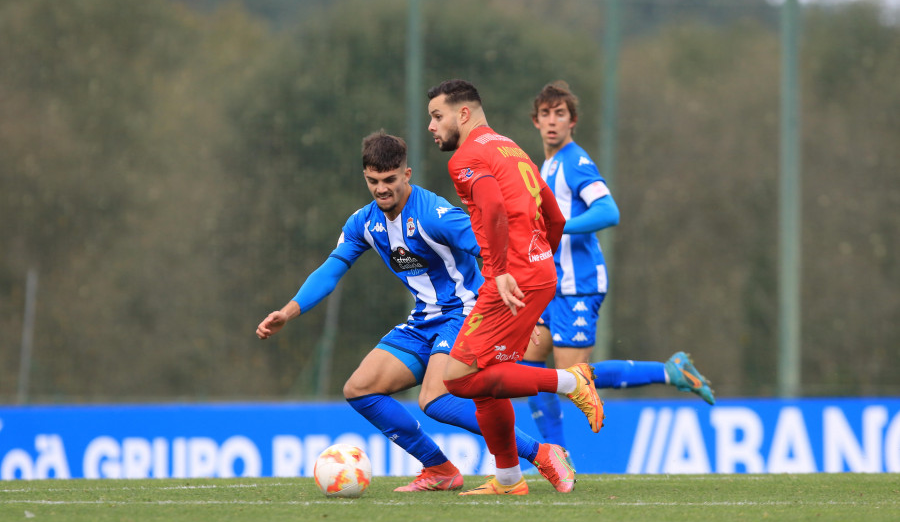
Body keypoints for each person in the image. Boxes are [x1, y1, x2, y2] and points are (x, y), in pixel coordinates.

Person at [256, 130, 576, 494]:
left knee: (435, 400)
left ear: (406, 175)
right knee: (360, 389)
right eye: (373, 181)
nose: (381, 189)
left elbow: (492, 247)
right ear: (365, 177)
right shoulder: (364, 222)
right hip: (423, 320)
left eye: (390, 180)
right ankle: (439, 468)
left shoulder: (435, 215)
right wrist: (289, 311)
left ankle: (542, 453)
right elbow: (332, 269)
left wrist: (518, 307)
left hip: (465, 314)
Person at [427, 79, 604, 497]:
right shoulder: (510, 147)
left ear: (464, 113)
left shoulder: (467, 158)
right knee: (485, 379)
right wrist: (540, 262)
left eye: (438, 116)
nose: (432, 127)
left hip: (511, 279)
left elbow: (490, 204)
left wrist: (501, 268)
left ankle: (571, 382)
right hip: (538, 275)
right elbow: (555, 218)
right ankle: (509, 479)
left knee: (457, 380)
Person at [521, 80, 715, 451]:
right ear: (535, 121)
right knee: (529, 369)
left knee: (571, 379)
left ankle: (671, 371)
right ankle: (556, 455)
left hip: (580, 285)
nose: (551, 121)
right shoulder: (546, 166)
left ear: (572, 121)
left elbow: (609, 211)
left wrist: (558, 228)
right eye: (545, 114)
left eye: (559, 114)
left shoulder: (575, 162)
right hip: (551, 284)